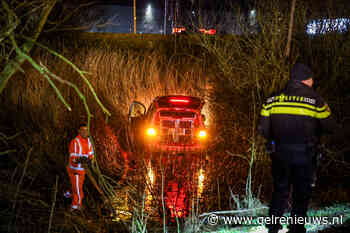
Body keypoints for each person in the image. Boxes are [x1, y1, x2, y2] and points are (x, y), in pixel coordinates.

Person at [258, 63, 339, 233]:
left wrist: (276, 139)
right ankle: (296, 228)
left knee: (280, 190)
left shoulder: (272, 99)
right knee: (301, 193)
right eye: (311, 79)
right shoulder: (315, 100)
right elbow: (330, 126)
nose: (313, 82)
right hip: (305, 155)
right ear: (306, 80)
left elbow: (263, 129)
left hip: (279, 154)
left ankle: (273, 226)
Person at [67, 123, 94, 211]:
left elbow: (91, 154)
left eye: (86, 130)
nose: (84, 132)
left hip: (82, 170)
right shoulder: (75, 141)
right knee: (78, 189)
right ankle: (76, 205)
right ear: (79, 131)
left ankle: (67, 194)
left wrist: (90, 160)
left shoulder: (89, 142)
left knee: (76, 187)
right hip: (75, 170)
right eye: (82, 130)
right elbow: (73, 157)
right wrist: (80, 160)